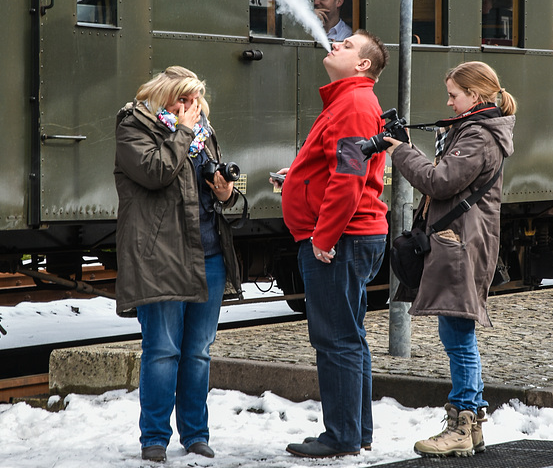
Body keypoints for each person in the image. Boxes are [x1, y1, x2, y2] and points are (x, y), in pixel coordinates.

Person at [384, 61, 516, 458]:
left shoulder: (478, 135)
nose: (449, 101)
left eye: (454, 95)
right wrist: (407, 145)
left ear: (475, 96)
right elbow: (447, 176)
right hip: (461, 242)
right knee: (459, 334)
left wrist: (401, 152)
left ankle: (460, 425)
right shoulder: (476, 131)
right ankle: (471, 423)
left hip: (462, 245)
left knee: (457, 338)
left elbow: (439, 181)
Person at [114, 66, 242, 464]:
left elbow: (230, 207)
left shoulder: (202, 134)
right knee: (162, 351)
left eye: (196, 100)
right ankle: (154, 438)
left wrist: (226, 194)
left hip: (209, 256)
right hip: (161, 258)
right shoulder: (134, 126)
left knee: (199, 352)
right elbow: (156, 172)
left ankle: (196, 435)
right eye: (182, 100)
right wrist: (183, 133)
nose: (192, 108)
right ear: (162, 97)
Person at [271, 30, 390, 458]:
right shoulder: (349, 101)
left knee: (335, 339)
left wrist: (324, 235)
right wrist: (299, 178)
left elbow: (350, 176)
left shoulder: (354, 105)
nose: (335, 45)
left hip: (342, 238)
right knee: (349, 336)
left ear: (362, 65)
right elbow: (337, 165)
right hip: (352, 234)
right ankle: (356, 433)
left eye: (346, 46)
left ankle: (341, 437)